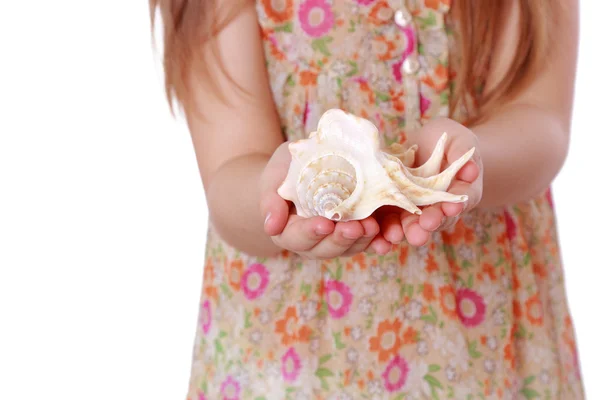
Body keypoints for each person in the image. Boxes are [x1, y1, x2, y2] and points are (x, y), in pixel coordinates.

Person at [150, 0, 584, 398]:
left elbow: (541, 117)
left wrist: (463, 162)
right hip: (289, 361)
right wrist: (280, 200)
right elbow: (231, 170)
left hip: (488, 342)